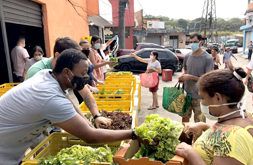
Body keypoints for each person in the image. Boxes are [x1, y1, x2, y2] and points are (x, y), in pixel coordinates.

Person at [0, 49, 137, 164]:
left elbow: (69, 104)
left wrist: (90, 120)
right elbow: (90, 137)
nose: (86, 78)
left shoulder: (47, 76)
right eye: (82, 73)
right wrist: (133, 134)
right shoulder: (50, 97)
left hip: (10, 146)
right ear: (67, 72)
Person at [26, 37, 111, 128]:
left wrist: (96, 116)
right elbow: (55, 106)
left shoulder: (65, 71)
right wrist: (86, 124)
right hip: (34, 124)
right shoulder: (38, 72)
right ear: (58, 56)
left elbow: (84, 94)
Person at [175, 68, 253, 165]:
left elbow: (229, 140)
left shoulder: (234, 138)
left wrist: (190, 153)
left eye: (202, 98)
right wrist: (205, 126)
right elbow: (223, 137)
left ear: (217, 98)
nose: (201, 102)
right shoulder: (246, 116)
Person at [178, 33, 213, 123]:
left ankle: (198, 137)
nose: (193, 44)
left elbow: (208, 79)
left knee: (199, 121)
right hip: (186, 93)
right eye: (191, 42)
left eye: (195, 42)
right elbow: (185, 69)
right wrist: (182, 76)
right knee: (184, 118)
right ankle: (185, 136)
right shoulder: (187, 56)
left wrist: (190, 77)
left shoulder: (207, 58)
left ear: (201, 42)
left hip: (200, 96)